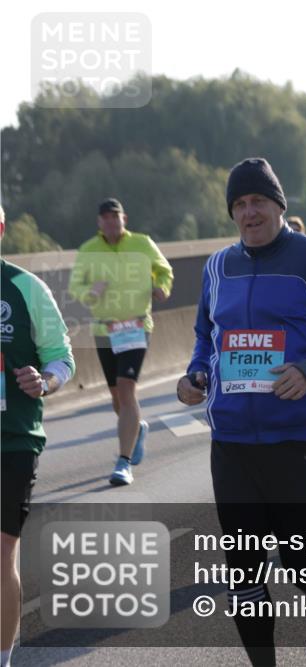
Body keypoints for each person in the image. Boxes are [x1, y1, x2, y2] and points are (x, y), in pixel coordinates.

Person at [177, 157, 306, 667]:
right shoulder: (218, 266)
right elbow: (207, 334)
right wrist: (196, 373)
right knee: (244, 573)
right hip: (232, 445)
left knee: (301, 562)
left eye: (259, 202)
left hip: (301, 440)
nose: (249, 213)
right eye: (240, 204)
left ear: (278, 207)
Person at [1, 207, 76, 667]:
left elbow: (61, 358)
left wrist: (44, 381)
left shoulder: (26, 287)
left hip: (13, 439)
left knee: (0, 551)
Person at [68, 197, 173, 486]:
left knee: (126, 390)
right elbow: (75, 286)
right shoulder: (88, 250)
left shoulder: (143, 243)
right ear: (99, 222)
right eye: (106, 217)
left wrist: (161, 288)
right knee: (117, 397)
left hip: (137, 326)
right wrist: (92, 290)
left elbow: (164, 270)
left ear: (124, 218)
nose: (111, 221)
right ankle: (136, 428)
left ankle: (123, 462)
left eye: (116, 216)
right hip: (105, 329)